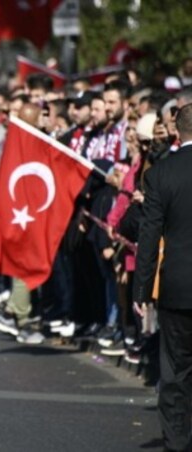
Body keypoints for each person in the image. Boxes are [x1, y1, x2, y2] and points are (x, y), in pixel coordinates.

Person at [134, 104, 192, 452]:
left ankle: (176, 442)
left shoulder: (161, 174)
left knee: (175, 371)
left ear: (176, 132)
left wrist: (141, 288)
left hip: (177, 287)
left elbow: (149, 235)